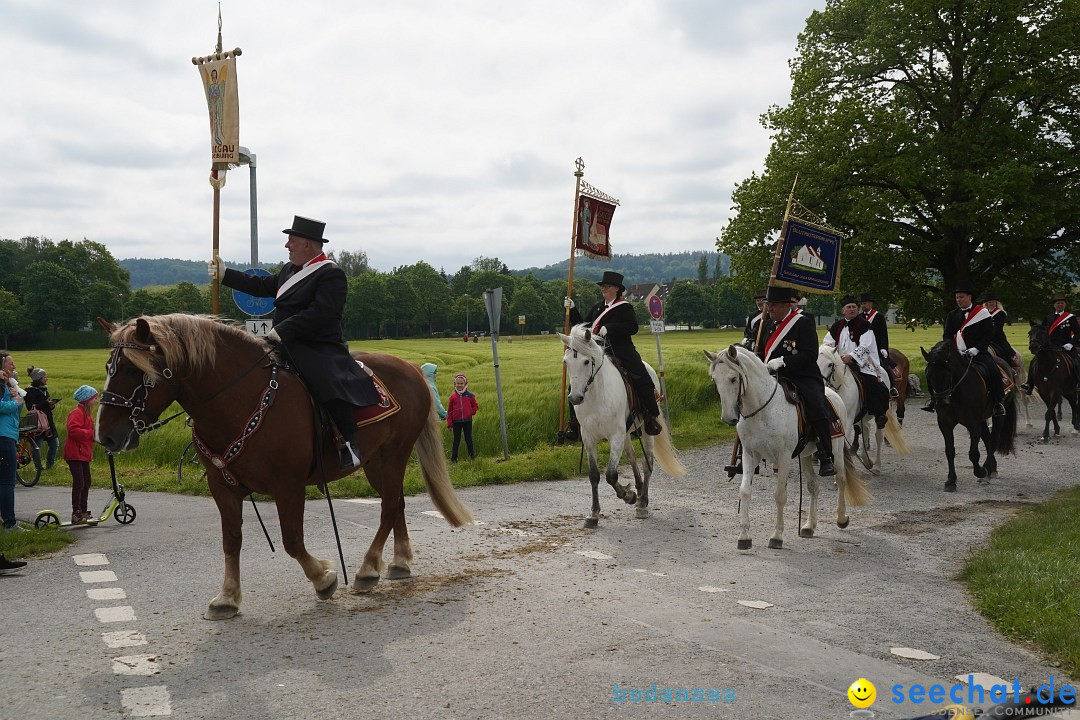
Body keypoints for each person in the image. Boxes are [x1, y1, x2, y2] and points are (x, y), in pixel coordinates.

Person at [211, 215, 381, 471]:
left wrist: (284, 330)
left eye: (291, 240)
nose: (287, 245)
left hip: (318, 346)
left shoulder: (331, 274)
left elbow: (323, 312)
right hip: (283, 342)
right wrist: (226, 275)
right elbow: (261, 286)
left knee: (326, 379)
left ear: (307, 245)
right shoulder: (289, 271)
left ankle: (348, 443)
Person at [564, 271, 662, 436]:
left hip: (621, 349)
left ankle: (650, 416)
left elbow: (632, 327)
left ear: (616, 289)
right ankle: (575, 424)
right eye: (602, 286)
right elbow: (583, 326)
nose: (603, 289)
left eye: (607, 286)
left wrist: (611, 328)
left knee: (641, 375)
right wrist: (572, 310)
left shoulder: (625, 307)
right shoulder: (597, 307)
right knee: (575, 382)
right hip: (598, 350)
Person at [757, 285, 836, 476]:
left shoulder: (803, 322)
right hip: (772, 375)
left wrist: (784, 361)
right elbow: (761, 352)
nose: (770, 309)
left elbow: (810, 355)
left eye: (774, 305)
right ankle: (750, 450)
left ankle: (826, 455)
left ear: (786, 305)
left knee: (816, 405)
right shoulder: (767, 325)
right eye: (769, 305)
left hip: (802, 375)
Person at [929, 284, 1005, 416]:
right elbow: (947, 335)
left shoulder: (982, 313)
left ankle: (998, 402)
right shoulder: (952, 315)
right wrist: (953, 349)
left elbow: (988, 334)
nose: (958, 300)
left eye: (961, 297)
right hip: (957, 353)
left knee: (993, 371)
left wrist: (977, 349)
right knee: (935, 369)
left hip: (978, 352)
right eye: (957, 297)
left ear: (969, 297)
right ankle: (934, 400)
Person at [824, 296, 890, 428]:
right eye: (849, 307)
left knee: (874, 383)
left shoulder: (865, 325)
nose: (852, 309)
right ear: (843, 310)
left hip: (862, 363)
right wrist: (831, 352)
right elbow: (827, 342)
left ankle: (879, 413)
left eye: (854, 307)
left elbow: (865, 345)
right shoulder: (837, 326)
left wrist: (852, 356)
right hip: (841, 363)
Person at [1022, 293, 1080, 394]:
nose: (1060, 305)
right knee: (1034, 362)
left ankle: (1078, 383)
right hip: (1050, 346)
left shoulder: (1070, 318)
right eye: (1058, 303)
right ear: (1054, 305)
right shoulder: (1048, 318)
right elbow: (1044, 333)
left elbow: (1077, 333)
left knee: (1076, 361)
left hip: (1066, 346)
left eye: (1062, 303)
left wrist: (1071, 344)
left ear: (1065, 305)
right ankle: (1029, 384)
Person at [64, 385, 98, 524]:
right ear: (87, 400)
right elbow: (73, 431)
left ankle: (83, 510)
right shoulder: (77, 413)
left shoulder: (88, 414)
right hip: (74, 453)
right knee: (79, 482)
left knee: (86, 481)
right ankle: (76, 512)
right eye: (95, 398)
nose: (96, 401)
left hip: (83, 454)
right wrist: (91, 434)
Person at [860, 292, 899, 397]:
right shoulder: (859, 317)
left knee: (884, 364)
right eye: (862, 303)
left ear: (870, 304)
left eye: (865, 303)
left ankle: (892, 386)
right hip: (862, 347)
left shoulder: (878, 317)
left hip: (876, 347)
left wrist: (883, 348)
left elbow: (883, 334)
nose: (863, 305)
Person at [0, 364, 24, 532]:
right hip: (4, 436)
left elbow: (16, 410)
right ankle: (10, 522)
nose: (13, 367)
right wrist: (14, 401)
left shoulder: (7, 386)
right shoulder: (1, 386)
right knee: (7, 482)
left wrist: (17, 399)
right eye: (10, 363)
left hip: (9, 434)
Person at [24, 366, 59, 471]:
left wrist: (52, 405)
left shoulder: (44, 389)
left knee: (54, 444)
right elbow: (30, 407)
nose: (46, 378)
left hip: (48, 421)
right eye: (44, 377)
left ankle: (50, 466)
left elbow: (47, 406)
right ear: (38, 379)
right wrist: (46, 403)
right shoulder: (29, 391)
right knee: (36, 447)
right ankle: (38, 467)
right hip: (37, 423)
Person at [446, 373, 478, 462]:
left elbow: (475, 406)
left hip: (467, 421)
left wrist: (471, 412)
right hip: (456, 422)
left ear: (465, 384)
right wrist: (449, 424)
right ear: (454, 384)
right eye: (458, 383)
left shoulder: (470, 395)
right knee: (456, 440)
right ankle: (453, 459)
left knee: (468, 439)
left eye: (461, 383)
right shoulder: (452, 397)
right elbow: (449, 411)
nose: (459, 385)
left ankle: (472, 457)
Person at [982, 292, 1018, 369]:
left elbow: (998, 328)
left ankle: (1011, 366)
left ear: (996, 303)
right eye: (989, 302)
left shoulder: (1000, 313)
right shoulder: (983, 313)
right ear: (987, 303)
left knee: (1003, 349)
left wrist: (989, 335)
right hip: (985, 337)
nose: (991, 303)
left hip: (997, 337)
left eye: (993, 302)